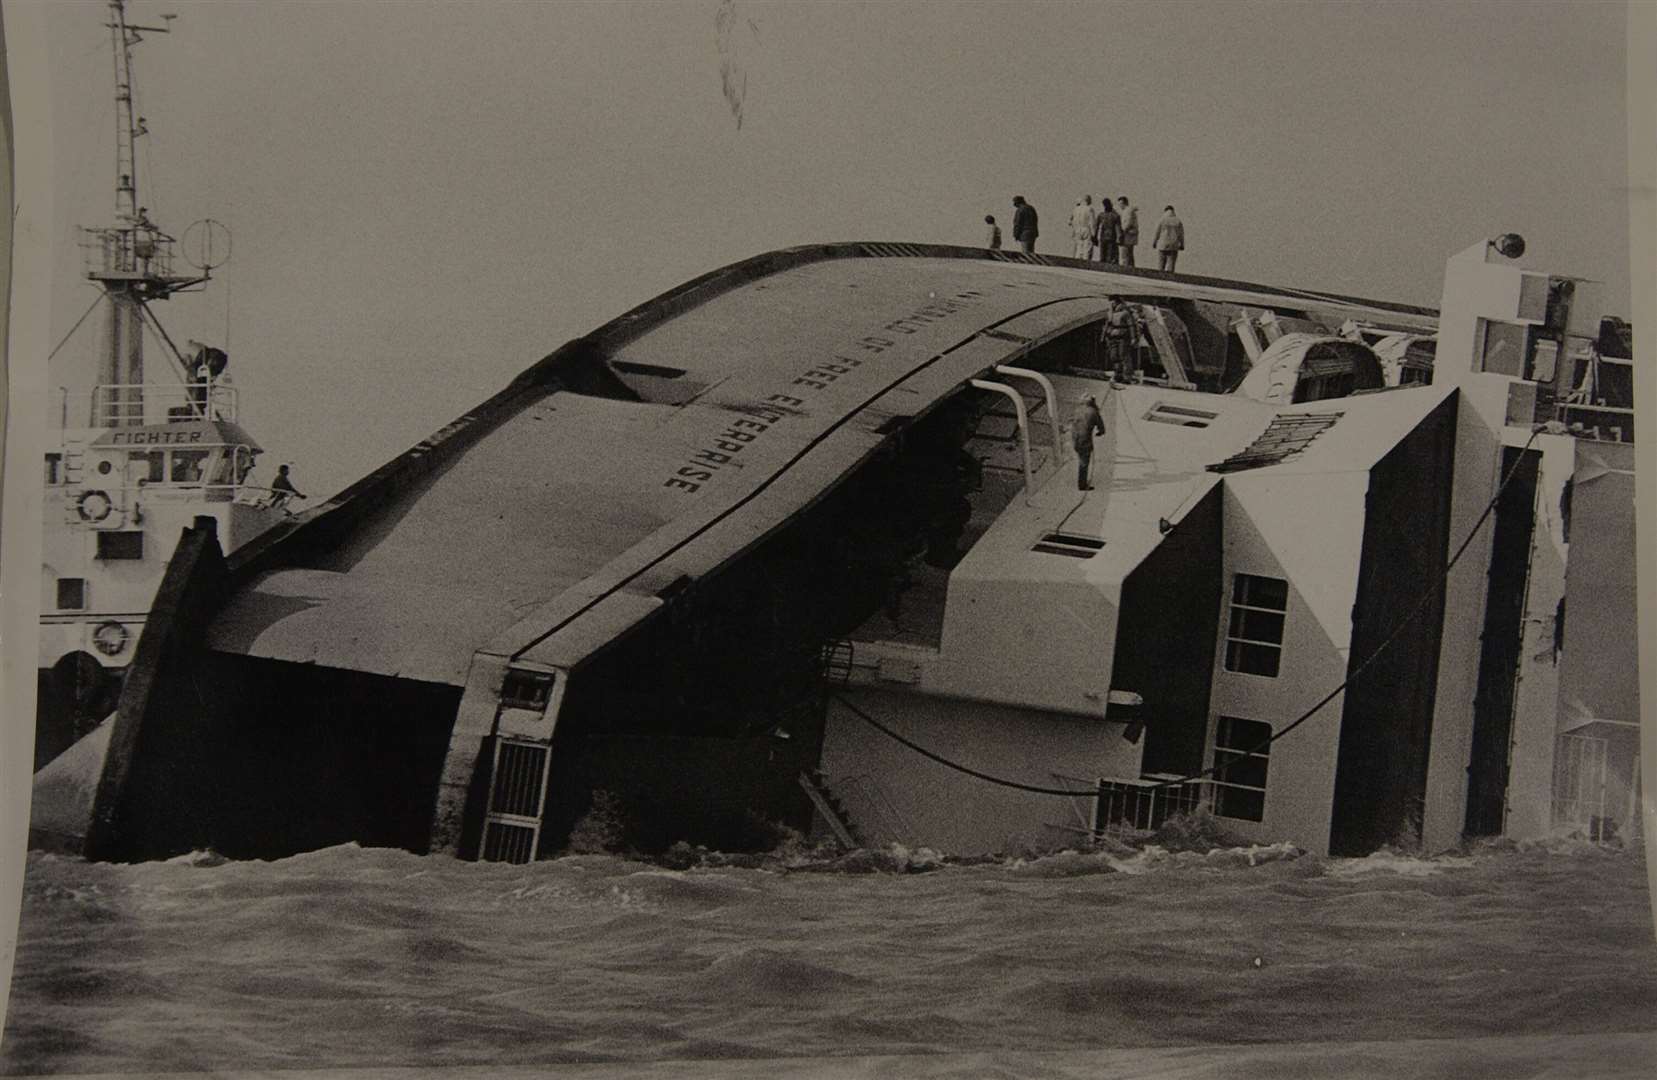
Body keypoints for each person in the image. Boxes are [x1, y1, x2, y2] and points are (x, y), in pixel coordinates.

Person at [1071, 394, 1106, 491]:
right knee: (1084, 463)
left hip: (1075, 438)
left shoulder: (1078, 409)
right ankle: (1082, 485)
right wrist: (1100, 432)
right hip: (1085, 440)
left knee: (1081, 459)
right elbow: (1101, 428)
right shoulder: (1094, 412)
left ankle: (1082, 480)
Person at [1154, 205, 1184, 272]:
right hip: (1174, 244)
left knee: (1161, 263)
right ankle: (1170, 278)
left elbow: (1157, 232)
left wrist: (1154, 242)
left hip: (1162, 244)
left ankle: (1160, 277)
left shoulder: (1162, 220)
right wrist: (1182, 244)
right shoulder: (1178, 221)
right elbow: (1181, 234)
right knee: (1171, 264)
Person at [1094, 198, 1122, 264]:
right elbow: (1118, 228)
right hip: (1112, 237)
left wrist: (1095, 237)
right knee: (1110, 255)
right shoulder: (1115, 216)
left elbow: (1096, 227)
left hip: (1103, 236)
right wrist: (1119, 238)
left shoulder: (1101, 215)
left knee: (1102, 255)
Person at [1116, 196, 1139, 267]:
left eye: (1120, 204)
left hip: (1128, 235)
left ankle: (1125, 267)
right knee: (1129, 253)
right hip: (1130, 234)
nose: (1119, 206)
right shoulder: (1128, 211)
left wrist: (1122, 232)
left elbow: (1128, 223)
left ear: (1124, 203)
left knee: (1125, 253)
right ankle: (1130, 267)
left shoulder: (1128, 211)